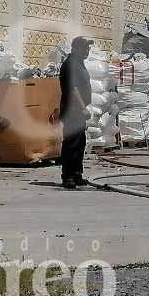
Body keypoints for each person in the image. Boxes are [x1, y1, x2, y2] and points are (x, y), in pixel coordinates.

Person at [59, 36, 93, 189]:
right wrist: (83, 108)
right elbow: (73, 89)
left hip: (78, 112)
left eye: (88, 48)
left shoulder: (79, 63)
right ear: (75, 48)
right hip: (72, 111)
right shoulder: (70, 65)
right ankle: (68, 176)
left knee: (80, 143)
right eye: (84, 48)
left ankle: (77, 174)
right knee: (71, 144)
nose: (87, 51)